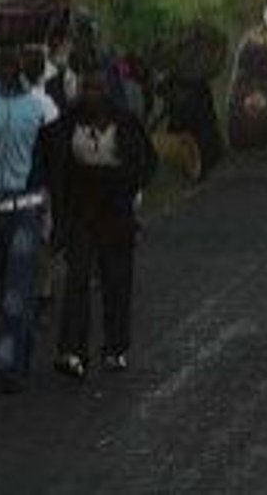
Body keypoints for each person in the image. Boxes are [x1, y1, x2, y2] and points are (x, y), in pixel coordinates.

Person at [45, 71, 159, 378]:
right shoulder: (69, 124)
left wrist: (128, 188)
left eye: (97, 88)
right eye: (87, 88)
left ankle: (115, 347)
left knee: (116, 279)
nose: (91, 94)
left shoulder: (126, 123)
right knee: (77, 278)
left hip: (116, 210)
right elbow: (56, 166)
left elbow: (146, 162)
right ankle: (72, 350)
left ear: (108, 92)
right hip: (81, 210)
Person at [0, 46, 59, 393]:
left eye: (11, 63)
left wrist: (51, 207)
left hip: (26, 208)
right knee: (1, 289)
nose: (6, 68)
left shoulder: (42, 108)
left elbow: (52, 159)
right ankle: (23, 346)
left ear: (19, 67)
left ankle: (10, 366)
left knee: (15, 292)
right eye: (1, 62)